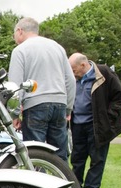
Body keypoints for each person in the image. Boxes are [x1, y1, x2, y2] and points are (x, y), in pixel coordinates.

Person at [8, 17, 75, 163]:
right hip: (59, 104)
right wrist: (68, 109)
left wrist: (14, 115)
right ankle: (64, 184)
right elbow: (70, 80)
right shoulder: (58, 48)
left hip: (35, 104)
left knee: (35, 155)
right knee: (60, 156)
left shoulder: (20, 50)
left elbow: (14, 86)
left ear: (20, 31)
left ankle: (37, 186)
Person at [68, 53, 121, 188]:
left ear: (83, 65)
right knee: (77, 158)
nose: (72, 72)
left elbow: (119, 96)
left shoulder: (104, 73)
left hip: (97, 126)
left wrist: (108, 117)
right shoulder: (73, 78)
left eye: (74, 69)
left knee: (97, 158)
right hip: (77, 125)